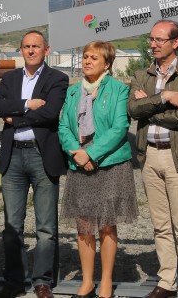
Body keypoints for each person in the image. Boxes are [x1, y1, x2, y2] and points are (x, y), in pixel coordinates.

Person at [128, 21, 178, 298]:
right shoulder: (142, 74)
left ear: (176, 43)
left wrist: (151, 104)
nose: (154, 44)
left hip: (177, 159)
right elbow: (132, 109)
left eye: (160, 40)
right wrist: (165, 97)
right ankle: (166, 280)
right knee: (160, 225)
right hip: (149, 157)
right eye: (151, 39)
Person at [0, 30, 70, 298]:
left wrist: (17, 118)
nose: (31, 50)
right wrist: (27, 104)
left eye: (36, 46)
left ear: (46, 50)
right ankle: (14, 280)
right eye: (26, 46)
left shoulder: (57, 78)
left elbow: (50, 112)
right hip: (12, 155)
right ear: (20, 50)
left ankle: (42, 281)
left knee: (46, 227)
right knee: (12, 225)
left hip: (42, 154)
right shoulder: (10, 78)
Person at [58, 40, 137, 298]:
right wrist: (78, 154)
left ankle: (105, 282)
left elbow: (119, 128)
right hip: (78, 160)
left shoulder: (118, 89)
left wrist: (91, 153)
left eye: (94, 58)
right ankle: (87, 282)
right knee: (83, 224)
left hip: (109, 163)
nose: (87, 61)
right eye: (85, 57)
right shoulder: (73, 91)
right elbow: (64, 128)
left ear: (107, 63)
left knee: (106, 224)